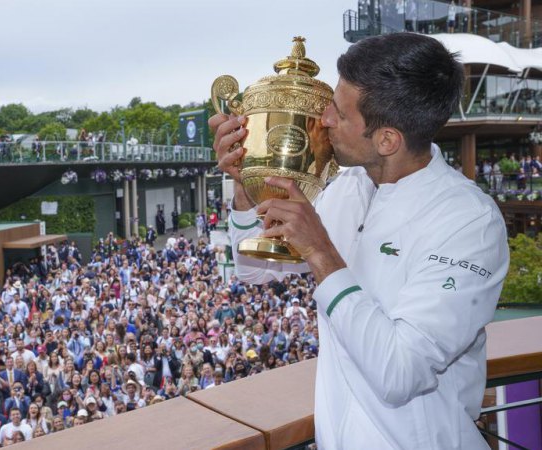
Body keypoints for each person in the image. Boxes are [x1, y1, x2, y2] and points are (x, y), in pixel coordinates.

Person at [211, 33, 508, 448]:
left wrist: (320, 252)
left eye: (338, 112)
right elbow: (257, 271)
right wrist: (246, 187)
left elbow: (399, 373)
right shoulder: (347, 185)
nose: (324, 119)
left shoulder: (468, 222)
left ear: (387, 139)